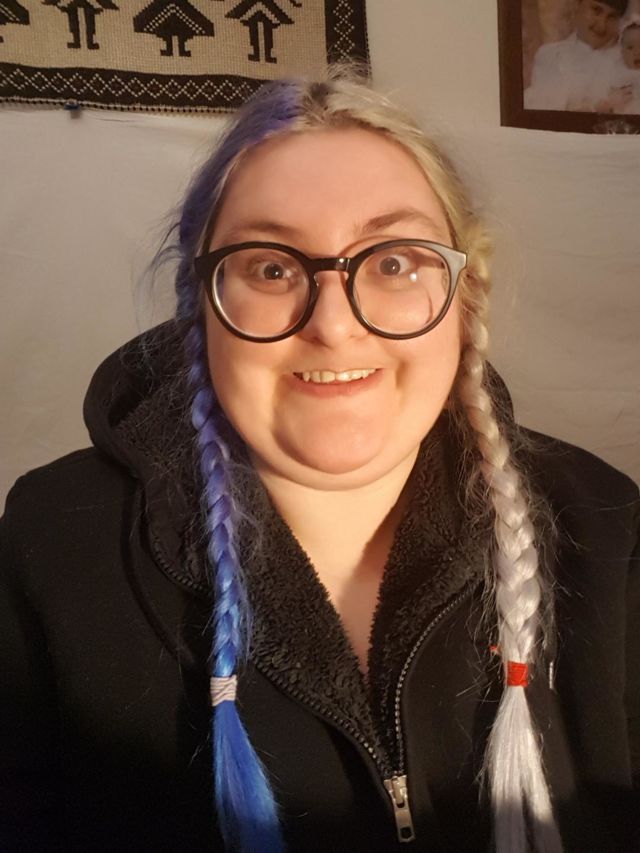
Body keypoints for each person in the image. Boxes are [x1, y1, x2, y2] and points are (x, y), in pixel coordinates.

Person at [1, 70, 638, 853]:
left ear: (464, 295)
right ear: (203, 307)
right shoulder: (52, 548)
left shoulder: (605, 528)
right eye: (271, 268)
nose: (333, 325)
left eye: (394, 261)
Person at [524, 0, 629, 111]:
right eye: (596, 11)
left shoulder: (629, 61)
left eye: (612, 17)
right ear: (577, 6)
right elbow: (540, 111)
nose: (601, 26)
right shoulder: (551, 55)